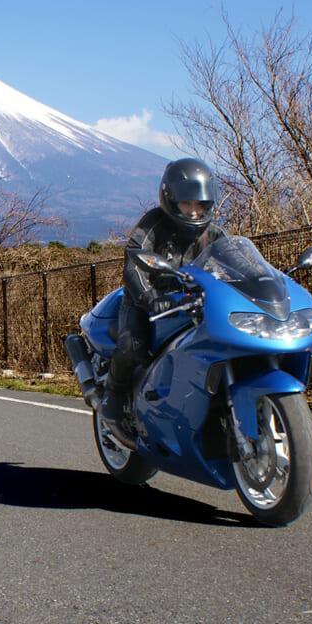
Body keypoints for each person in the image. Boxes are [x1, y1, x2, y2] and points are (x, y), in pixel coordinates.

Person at [99, 158, 225, 425]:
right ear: (170, 199)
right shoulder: (153, 224)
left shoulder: (215, 234)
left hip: (197, 303)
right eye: (186, 203)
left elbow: (234, 263)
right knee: (133, 346)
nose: (193, 212)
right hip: (148, 302)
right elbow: (134, 263)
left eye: (200, 204)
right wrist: (149, 297)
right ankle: (113, 394)